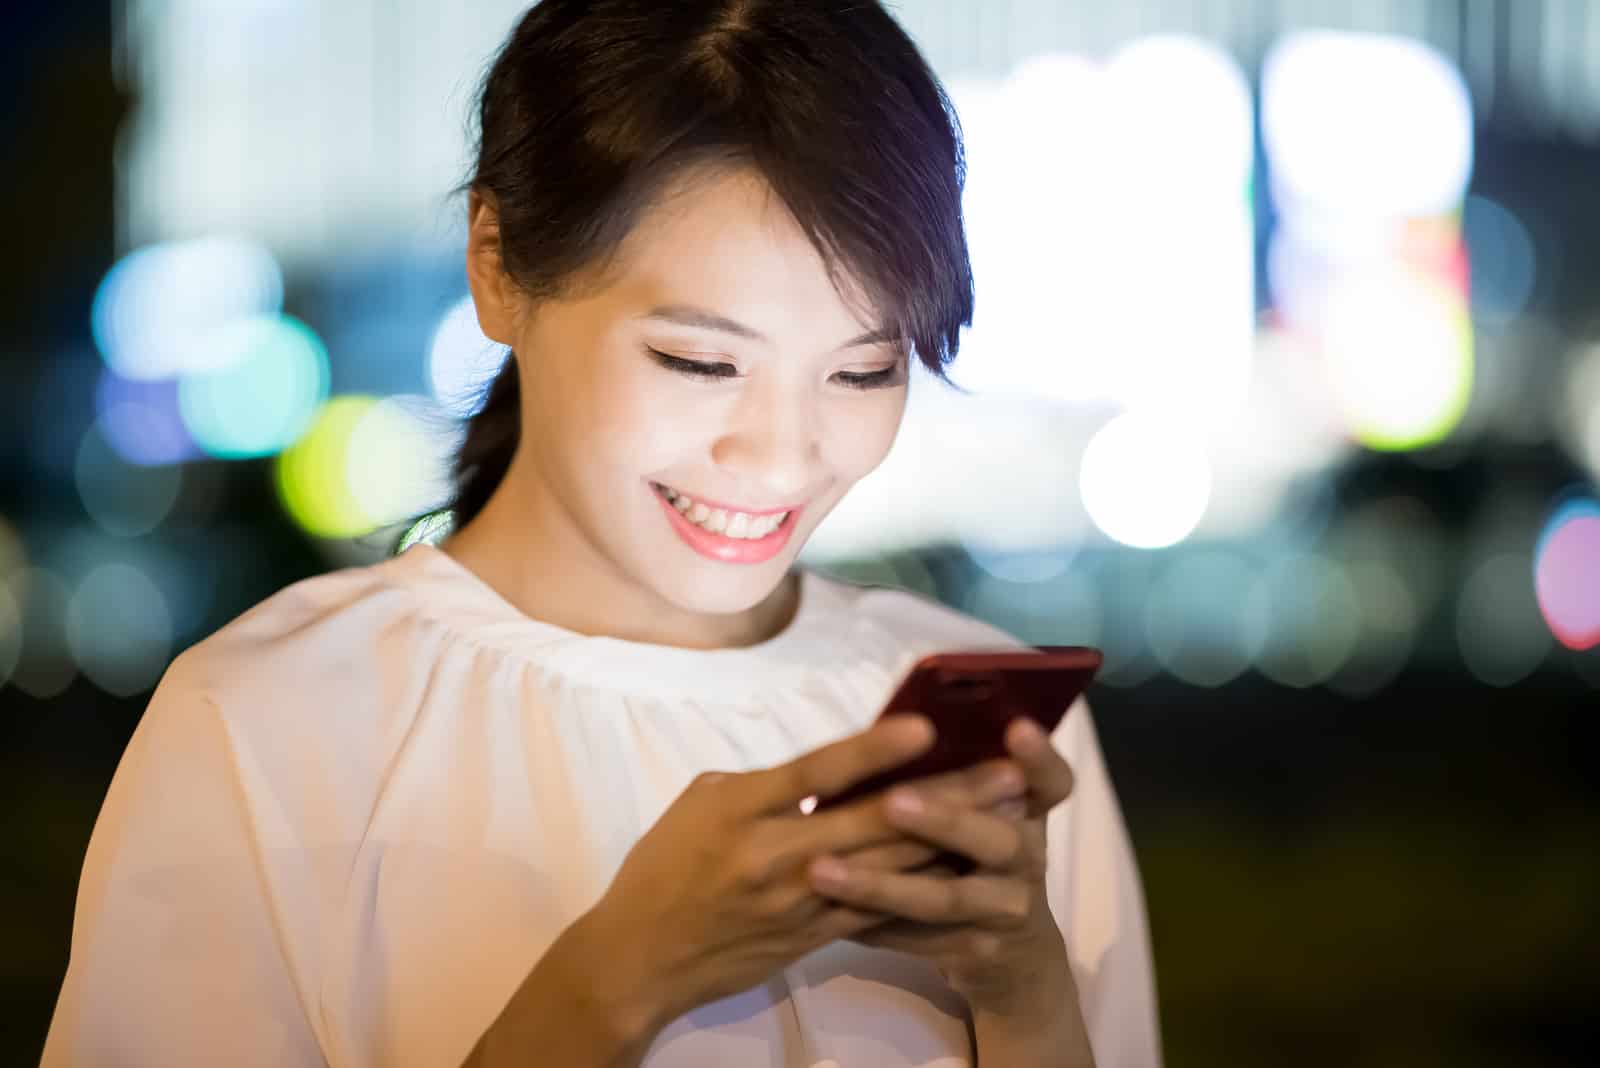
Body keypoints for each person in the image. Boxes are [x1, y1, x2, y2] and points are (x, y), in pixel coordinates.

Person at [39, 2, 1161, 1065]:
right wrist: (620, 979)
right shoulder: (273, 724)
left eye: (862, 370)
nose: (779, 454)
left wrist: (1022, 987)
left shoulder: (980, 728)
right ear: (497, 265)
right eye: (700, 362)